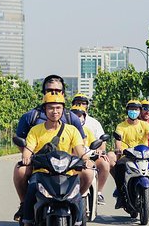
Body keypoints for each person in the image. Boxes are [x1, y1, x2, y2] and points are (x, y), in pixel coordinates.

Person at [13, 75, 86, 221]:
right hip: (42, 171)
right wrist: (26, 156)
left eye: (58, 108)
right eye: (51, 108)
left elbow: (80, 150)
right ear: (44, 109)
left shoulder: (72, 128)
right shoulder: (35, 128)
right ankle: (26, 218)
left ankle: (79, 220)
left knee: (78, 196)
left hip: (66, 171)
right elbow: (28, 148)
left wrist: (85, 159)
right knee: (32, 188)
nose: (54, 111)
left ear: (63, 108)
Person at [107, 100, 149, 209]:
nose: (134, 111)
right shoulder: (121, 126)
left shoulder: (145, 125)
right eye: (131, 109)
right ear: (127, 111)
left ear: (140, 111)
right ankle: (120, 195)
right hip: (128, 156)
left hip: (144, 156)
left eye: (136, 109)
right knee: (120, 166)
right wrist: (119, 149)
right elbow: (118, 140)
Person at [71, 93, 109, 204]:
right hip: (69, 158)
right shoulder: (65, 125)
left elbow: (100, 142)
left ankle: (98, 193)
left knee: (104, 163)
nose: (80, 106)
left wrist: (100, 151)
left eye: (83, 104)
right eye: (78, 103)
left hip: (88, 156)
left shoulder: (93, 124)